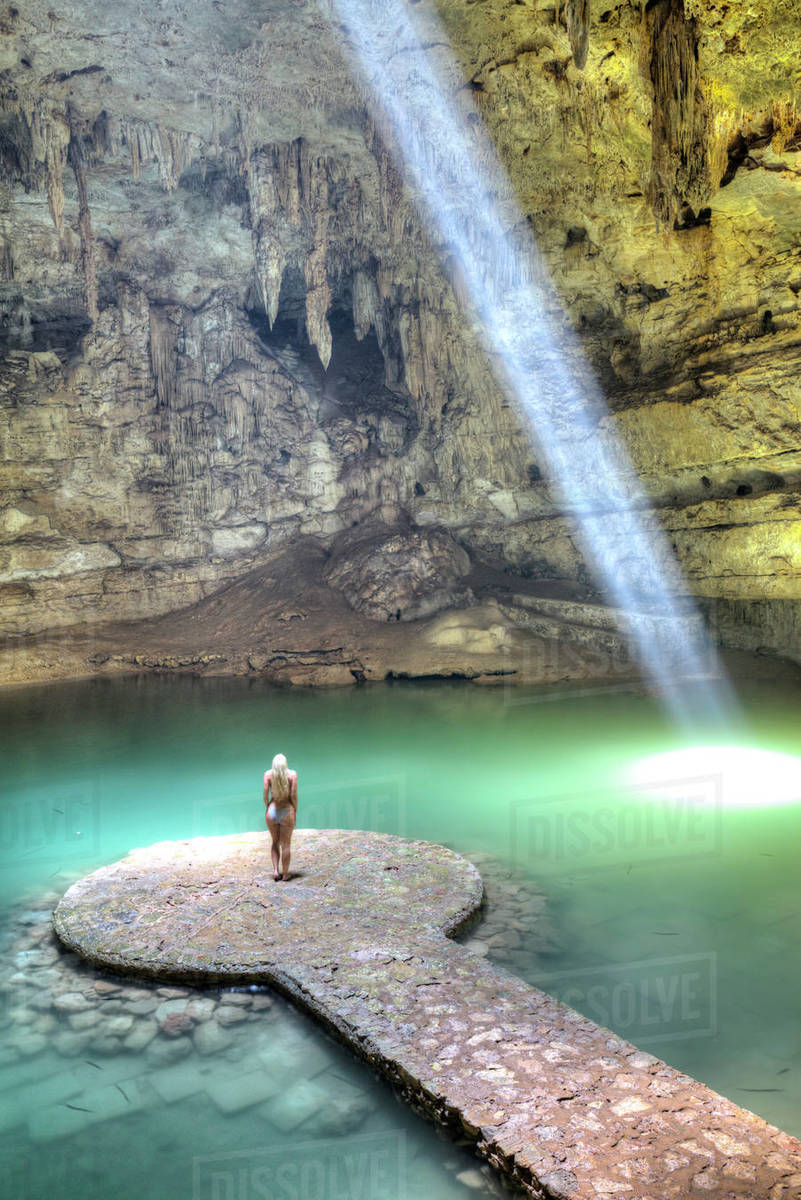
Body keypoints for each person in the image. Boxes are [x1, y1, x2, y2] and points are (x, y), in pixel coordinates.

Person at [264, 753, 297, 882]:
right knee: (286, 844)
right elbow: (293, 796)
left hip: (272, 810)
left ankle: (276, 871)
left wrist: (268, 807)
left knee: (275, 841)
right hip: (286, 810)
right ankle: (286, 873)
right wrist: (295, 809)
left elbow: (265, 796)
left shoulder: (267, 775)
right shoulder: (292, 775)